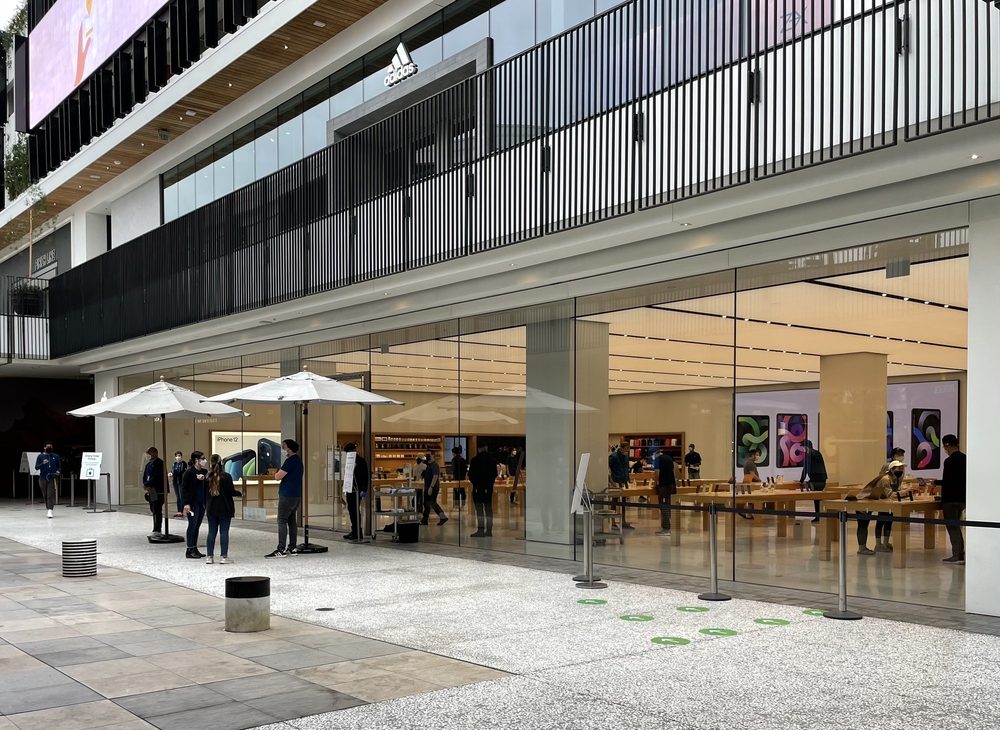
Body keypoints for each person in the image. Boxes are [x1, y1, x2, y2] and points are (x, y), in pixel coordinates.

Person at [855, 459, 905, 555]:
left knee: (883, 520)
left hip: (871, 501)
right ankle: (862, 548)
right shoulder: (886, 479)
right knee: (863, 524)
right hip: (864, 501)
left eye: (901, 468)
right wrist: (905, 493)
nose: (901, 470)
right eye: (898, 468)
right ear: (892, 469)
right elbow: (889, 494)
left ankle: (882, 544)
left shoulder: (894, 478)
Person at [267, 439, 303, 558]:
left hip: (287, 495)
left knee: (282, 520)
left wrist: (275, 473)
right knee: (292, 521)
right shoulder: (298, 461)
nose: (283, 450)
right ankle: (292, 547)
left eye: (284, 447)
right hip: (296, 494)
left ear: (289, 449)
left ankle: (281, 549)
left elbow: (278, 476)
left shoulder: (290, 461)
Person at [934, 434, 966, 565]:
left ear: (947, 445)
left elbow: (948, 481)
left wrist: (935, 482)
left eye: (944, 446)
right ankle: (960, 553)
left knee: (952, 527)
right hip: (962, 498)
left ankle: (957, 555)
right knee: (957, 526)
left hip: (950, 499)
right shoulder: (965, 458)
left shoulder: (949, 461)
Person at [204, 454, 241, 564]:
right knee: (224, 532)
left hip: (211, 508)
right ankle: (224, 557)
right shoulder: (226, 477)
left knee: (211, 532)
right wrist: (239, 493)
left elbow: (204, 494)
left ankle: (209, 557)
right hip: (225, 507)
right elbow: (231, 492)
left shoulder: (207, 477)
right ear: (221, 463)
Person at [181, 451, 209, 559]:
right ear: (197, 460)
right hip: (192, 503)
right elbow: (184, 489)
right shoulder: (189, 473)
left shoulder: (204, 471)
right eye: (202, 458)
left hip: (201, 502)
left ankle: (194, 547)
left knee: (197, 525)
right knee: (192, 525)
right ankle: (189, 548)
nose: (204, 460)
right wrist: (186, 503)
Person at [468, 445, 498, 537]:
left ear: (479, 449)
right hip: (488, 488)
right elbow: (495, 474)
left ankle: (480, 530)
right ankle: (489, 530)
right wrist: (489, 483)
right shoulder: (492, 460)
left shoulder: (474, 460)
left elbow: (471, 475)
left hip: (478, 488)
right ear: (486, 448)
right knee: (488, 509)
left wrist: (476, 484)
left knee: (479, 509)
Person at [344, 442, 370, 540]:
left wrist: (364, 489)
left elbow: (365, 476)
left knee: (355, 510)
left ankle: (358, 532)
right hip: (350, 488)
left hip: (357, 489)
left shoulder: (360, 461)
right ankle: (354, 530)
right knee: (351, 509)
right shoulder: (348, 462)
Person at [799, 440, 828, 523]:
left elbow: (805, 469)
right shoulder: (817, 453)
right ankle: (818, 516)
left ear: (806, 447)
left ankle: (818, 516)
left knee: (817, 498)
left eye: (803, 448)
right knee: (817, 498)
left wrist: (801, 480)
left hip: (816, 481)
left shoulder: (810, 454)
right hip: (820, 480)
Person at [608, 443, 634, 529]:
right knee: (614, 501)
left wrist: (627, 479)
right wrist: (612, 480)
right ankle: (613, 521)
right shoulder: (613, 456)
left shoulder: (626, 456)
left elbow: (626, 468)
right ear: (622, 448)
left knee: (623, 502)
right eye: (627, 448)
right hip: (616, 480)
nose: (628, 449)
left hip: (624, 480)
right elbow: (610, 468)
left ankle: (623, 521)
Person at [142, 446, 166, 538]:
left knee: (157, 509)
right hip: (151, 490)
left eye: (149, 453)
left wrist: (149, 484)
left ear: (155, 453)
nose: (148, 455)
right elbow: (145, 476)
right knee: (153, 509)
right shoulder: (148, 465)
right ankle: (155, 528)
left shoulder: (160, 463)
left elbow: (157, 477)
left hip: (158, 490)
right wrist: (145, 484)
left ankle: (157, 529)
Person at [420, 451, 448, 526]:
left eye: (428, 455)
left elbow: (435, 476)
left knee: (432, 502)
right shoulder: (428, 465)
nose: (427, 456)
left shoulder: (435, 465)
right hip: (428, 486)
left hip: (432, 487)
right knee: (427, 503)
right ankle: (425, 520)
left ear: (433, 455)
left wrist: (431, 487)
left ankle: (443, 517)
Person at [35, 443, 61, 519]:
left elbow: (59, 467)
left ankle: (50, 510)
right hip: (42, 478)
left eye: (50, 446)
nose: (49, 447)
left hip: (52, 478)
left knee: (50, 494)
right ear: (44, 448)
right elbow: (36, 467)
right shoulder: (40, 456)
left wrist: (58, 471)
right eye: (47, 446)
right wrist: (42, 463)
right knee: (45, 495)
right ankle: (48, 508)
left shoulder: (56, 456)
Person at [654, 448, 677, 536]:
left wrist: (655, 483)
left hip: (663, 485)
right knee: (668, 504)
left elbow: (657, 473)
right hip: (671, 484)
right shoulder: (669, 458)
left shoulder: (658, 460)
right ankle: (669, 526)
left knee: (663, 506)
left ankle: (666, 528)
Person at [171, 451, 187, 517]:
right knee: (178, 497)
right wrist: (171, 473)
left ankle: (181, 511)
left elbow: (181, 472)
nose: (178, 457)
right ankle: (178, 511)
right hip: (175, 482)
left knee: (181, 497)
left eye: (179, 455)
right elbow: (173, 471)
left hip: (181, 482)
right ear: (175, 457)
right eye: (177, 456)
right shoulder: (174, 464)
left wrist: (174, 473)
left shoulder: (183, 463)